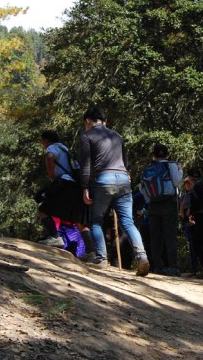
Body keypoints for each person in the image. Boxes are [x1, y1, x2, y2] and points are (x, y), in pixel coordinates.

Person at [78, 105, 150, 275]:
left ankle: (101, 259)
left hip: (103, 179)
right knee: (128, 221)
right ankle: (142, 256)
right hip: (123, 179)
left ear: (87, 121)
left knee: (96, 220)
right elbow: (125, 161)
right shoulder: (117, 135)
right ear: (105, 121)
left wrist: (85, 187)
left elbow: (86, 165)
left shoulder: (86, 136)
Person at [37, 130, 95, 259]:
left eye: (42, 142)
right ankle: (91, 252)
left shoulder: (52, 147)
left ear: (46, 140)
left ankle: (55, 237)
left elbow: (50, 156)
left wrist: (51, 175)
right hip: (76, 185)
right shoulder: (66, 149)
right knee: (79, 220)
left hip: (63, 183)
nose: (43, 144)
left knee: (43, 210)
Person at [140, 144, 182, 274]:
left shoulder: (148, 168)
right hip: (169, 204)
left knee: (155, 236)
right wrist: (180, 170)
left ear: (154, 155)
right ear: (167, 154)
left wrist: (149, 200)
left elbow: (142, 188)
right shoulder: (171, 165)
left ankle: (157, 266)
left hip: (153, 205)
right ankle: (173, 267)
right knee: (170, 236)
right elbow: (176, 182)